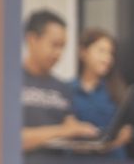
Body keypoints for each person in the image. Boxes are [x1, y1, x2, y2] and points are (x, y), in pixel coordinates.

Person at [18, 9, 95, 150]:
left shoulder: (63, 88)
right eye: (54, 45)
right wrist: (62, 131)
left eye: (62, 47)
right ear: (32, 40)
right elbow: (9, 138)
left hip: (60, 162)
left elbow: (71, 128)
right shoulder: (10, 83)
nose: (59, 53)